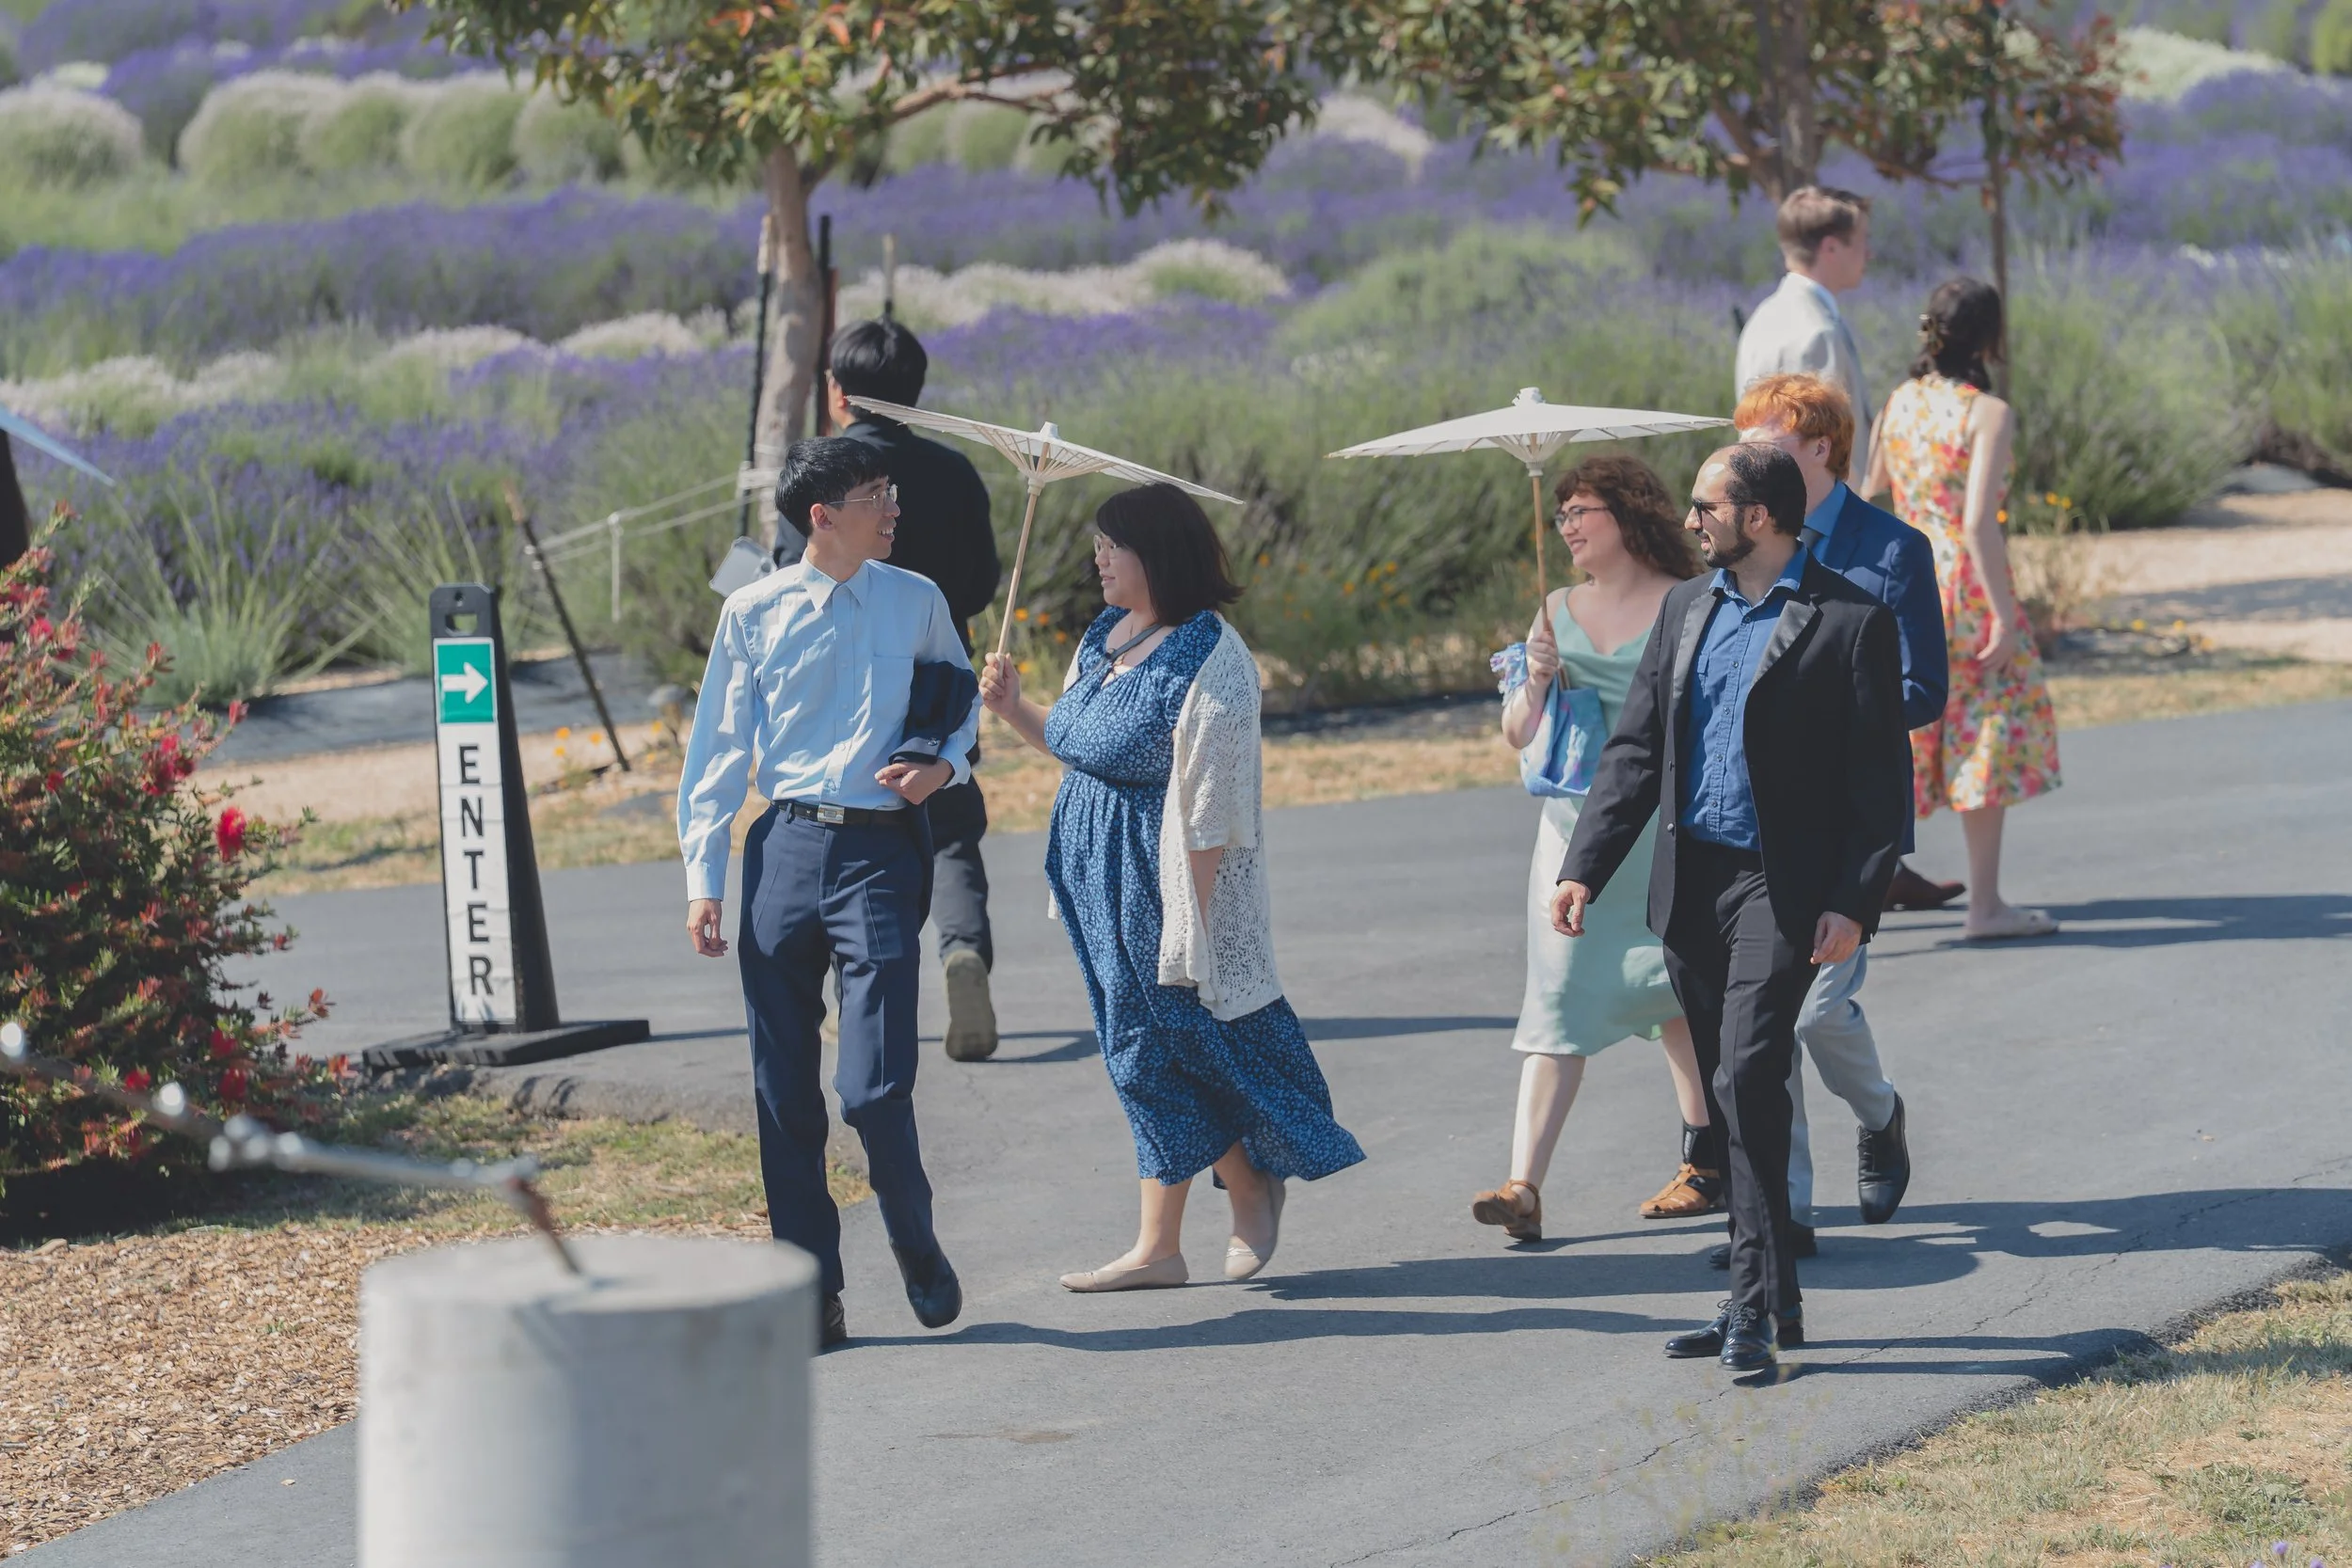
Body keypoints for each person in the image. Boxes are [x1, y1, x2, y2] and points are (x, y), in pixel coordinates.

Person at [1553, 444, 1909, 1373]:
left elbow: (1880, 788)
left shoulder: (1848, 621)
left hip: (1779, 887)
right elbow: (1635, 751)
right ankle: (1776, 1300)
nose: (1691, 518)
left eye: (1708, 504)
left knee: (1751, 1075)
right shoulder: (1686, 606)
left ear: (1760, 516)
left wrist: (1851, 903)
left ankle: (1749, 1304)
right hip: (1692, 881)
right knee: (1729, 1092)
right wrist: (1584, 865)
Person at [978, 483, 1363, 1291]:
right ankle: (1162, 1244)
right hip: (1095, 881)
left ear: (1159, 552)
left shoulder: (1209, 656)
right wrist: (1016, 709)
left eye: (1112, 545)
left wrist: (1184, 920)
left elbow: (1214, 807)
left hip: (1165, 887)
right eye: (1098, 544)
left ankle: (1248, 1184)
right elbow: (1081, 741)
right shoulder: (1106, 638)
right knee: (1137, 1053)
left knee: (1182, 1045)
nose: (1099, 559)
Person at [679, 436, 977, 1349]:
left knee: (871, 1085)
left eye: (891, 491)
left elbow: (956, 701)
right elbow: (719, 748)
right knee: (783, 1093)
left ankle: (913, 1235)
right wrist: (705, 877)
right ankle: (812, 1290)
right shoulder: (754, 612)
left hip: (882, 851)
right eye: (874, 495)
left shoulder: (917, 599)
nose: (893, 508)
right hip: (783, 850)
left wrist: (945, 767)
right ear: (821, 516)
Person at [1469, 456, 1724, 1244]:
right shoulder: (1554, 607)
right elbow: (1517, 733)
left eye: (1584, 511)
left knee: (1674, 994)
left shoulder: (1690, 603)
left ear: (1630, 514)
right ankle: (1524, 1186)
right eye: (1564, 514)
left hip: (1667, 827)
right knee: (1557, 999)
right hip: (1576, 837)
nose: (1569, 526)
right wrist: (1534, 681)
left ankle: (1705, 1163)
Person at [1729, 372, 1942, 1257]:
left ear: (1819, 447)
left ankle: (1880, 1112)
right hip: (1755, 821)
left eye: (1765, 445)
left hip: (1853, 821)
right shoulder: (1748, 546)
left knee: (1818, 1012)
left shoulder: (1893, 549)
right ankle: (1790, 1218)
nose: (1748, 464)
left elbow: (1923, 687)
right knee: (1766, 1031)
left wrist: (1824, 709)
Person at [778, 319, 1007, 1060]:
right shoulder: (953, 471)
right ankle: (963, 952)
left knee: (852, 831)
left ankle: (860, 988)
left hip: (840, 685)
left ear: (837, 392)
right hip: (940, 674)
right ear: (918, 389)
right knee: (950, 830)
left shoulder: (825, 480)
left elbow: (793, 579)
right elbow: (976, 583)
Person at [1738, 185, 1962, 917]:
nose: (1868, 255)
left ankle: (1876, 866)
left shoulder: (1770, 315)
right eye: (1861, 242)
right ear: (1830, 246)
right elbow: (1816, 433)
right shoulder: (1812, 331)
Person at [1867, 278, 2063, 942]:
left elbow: (1871, 491)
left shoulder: (1900, 402)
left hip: (1903, 573)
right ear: (1988, 338)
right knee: (1986, 730)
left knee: (1902, 730)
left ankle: (1854, 891)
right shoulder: (1987, 412)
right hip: (1966, 582)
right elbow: (1978, 521)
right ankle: (1985, 904)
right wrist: (2008, 616)